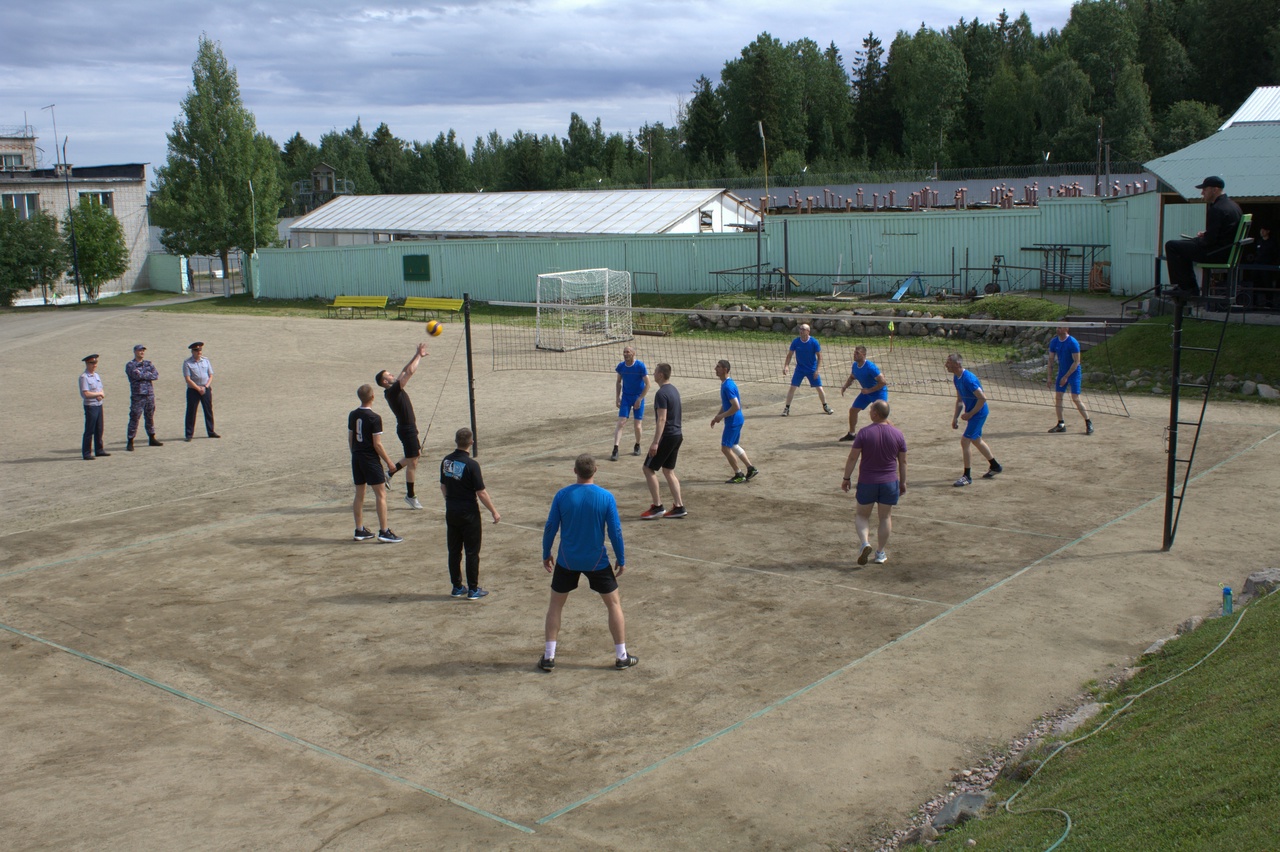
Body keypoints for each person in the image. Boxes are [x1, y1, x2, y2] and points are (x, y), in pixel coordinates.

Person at [539, 453, 635, 671]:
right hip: (597, 561)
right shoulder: (606, 497)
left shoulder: (562, 495)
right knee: (613, 605)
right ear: (596, 470)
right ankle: (621, 656)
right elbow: (615, 531)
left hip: (567, 560)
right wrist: (621, 558)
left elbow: (550, 527)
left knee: (555, 605)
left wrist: (546, 552)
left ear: (575, 471)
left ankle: (549, 656)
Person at [840, 399, 907, 565]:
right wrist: (903, 482)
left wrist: (846, 478)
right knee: (885, 517)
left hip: (868, 481)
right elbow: (903, 462)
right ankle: (880, 553)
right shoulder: (898, 434)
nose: (869, 412)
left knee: (862, 515)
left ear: (876, 414)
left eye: (870, 410)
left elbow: (853, 457)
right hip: (890, 482)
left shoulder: (863, 433)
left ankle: (865, 543)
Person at [439, 427, 501, 600]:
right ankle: (473, 589)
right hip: (468, 512)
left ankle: (457, 586)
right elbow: (481, 492)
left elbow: (443, 485)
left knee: (454, 550)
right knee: (472, 551)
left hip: (451, 509)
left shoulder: (446, 461)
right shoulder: (472, 465)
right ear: (471, 442)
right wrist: (494, 511)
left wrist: (449, 500)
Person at [1164, 176, 1243, 300]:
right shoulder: (1233, 206)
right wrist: (1204, 236)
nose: (1202, 193)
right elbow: (1223, 231)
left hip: (1217, 253)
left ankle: (1186, 287)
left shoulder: (1216, 209)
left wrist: (1199, 240)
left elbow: (1209, 242)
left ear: (1214, 190)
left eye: (1204, 190)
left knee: (1172, 246)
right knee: (1183, 246)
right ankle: (1188, 286)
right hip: (1226, 251)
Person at [377, 342, 429, 509]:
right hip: (406, 430)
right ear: (385, 381)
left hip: (408, 428)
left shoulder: (393, 390)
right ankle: (408, 494)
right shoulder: (392, 391)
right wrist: (419, 357)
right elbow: (410, 372)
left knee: (414, 457)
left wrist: (416, 354)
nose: (393, 375)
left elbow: (405, 369)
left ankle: (391, 475)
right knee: (413, 460)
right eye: (389, 375)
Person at [348, 384, 401, 544]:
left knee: (359, 494)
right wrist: (389, 462)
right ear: (372, 397)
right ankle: (384, 531)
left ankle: (359, 529)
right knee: (381, 494)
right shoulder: (374, 417)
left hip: (356, 457)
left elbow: (350, 437)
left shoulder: (353, 414)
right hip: (370, 459)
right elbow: (377, 444)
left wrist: (354, 453)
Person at [945, 353, 1001, 487]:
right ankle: (995, 466)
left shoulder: (968, 379)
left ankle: (967, 476)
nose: (946, 365)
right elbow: (959, 400)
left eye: (949, 362)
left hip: (979, 413)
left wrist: (970, 414)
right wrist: (955, 418)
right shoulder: (956, 377)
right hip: (973, 413)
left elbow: (982, 399)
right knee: (976, 440)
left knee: (965, 441)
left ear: (957, 364)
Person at [640, 362, 687, 518]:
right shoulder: (673, 390)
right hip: (677, 435)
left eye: (655, 371)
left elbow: (662, 419)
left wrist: (655, 442)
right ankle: (679, 507)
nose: (653, 374)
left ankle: (658, 506)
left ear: (660, 374)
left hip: (667, 436)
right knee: (668, 470)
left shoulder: (661, 394)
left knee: (648, 468)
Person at [710, 359, 758, 483]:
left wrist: (722, 416)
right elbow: (727, 404)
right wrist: (718, 416)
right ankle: (751, 468)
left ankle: (739, 474)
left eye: (718, 367)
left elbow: (735, 406)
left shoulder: (728, 386)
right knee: (734, 445)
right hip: (737, 419)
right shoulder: (726, 383)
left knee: (725, 448)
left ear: (725, 370)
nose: (715, 368)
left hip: (733, 421)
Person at [1046, 327, 1093, 435]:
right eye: (1057, 327)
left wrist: (1066, 377)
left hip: (1074, 372)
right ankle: (1061, 424)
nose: (1057, 329)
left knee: (1075, 398)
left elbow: (1076, 362)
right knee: (1058, 398)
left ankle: (1088, 422)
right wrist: (1049, 377)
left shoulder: (1072, 342)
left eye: (1060, 327)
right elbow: (1051, 360)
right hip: (1062, 372)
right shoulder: (1054, 341)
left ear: (1066, 329)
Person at [781, 323, 834, 416]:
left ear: (808, 331)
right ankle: (787, 408)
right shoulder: (796, 341)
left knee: (819, 388)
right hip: (800, 369)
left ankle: (825, 406)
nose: (801, 331)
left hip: (812, 369)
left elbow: (820, 357)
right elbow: (789, 355)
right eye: (800, 329)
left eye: (803, 329)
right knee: (792, 388)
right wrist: (786, 366)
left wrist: (817, 370)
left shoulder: (814, 342)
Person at [838, 345, 888, 441]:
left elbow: (883, 382)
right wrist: (845, 386)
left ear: (864, 355)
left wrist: (869, 390)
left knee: (880, 416)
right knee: (853, 410)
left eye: (857, 353)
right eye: (854, 353)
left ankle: (889, 435)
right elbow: (852, 377)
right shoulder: (855, 366)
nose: (854, 355)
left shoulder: (870, 367)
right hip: (866, 392)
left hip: (878, 392)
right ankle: (852, 434)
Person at [611, 346, 650, 462]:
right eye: (624, 352)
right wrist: (617, 397)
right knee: (621, 422)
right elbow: (618, 382)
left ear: (633, 353)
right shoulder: (621, 367)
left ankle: (637, 444)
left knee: (637, 425)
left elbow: (648, 384)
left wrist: (640, 399)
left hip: (638, 397)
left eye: (628, 352)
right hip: (626, 398)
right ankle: (615, 449)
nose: (625, 354)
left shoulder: (640, 366)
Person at [124, 344, 162, 451]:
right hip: (138, 395)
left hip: (149, 394)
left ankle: (151, 437)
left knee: (150, 416)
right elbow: (136, 375)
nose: (142, 352)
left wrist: (143, 374)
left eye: (143, 351)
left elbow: (155, 375)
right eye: (140, 350)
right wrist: (146, 374)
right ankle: (130, 440)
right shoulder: (130, 365)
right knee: (135, 417)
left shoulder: (148, 363)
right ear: (135, 352)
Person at [182, 342, 220, 441]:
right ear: (192, 352)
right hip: (193, 390)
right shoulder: (187, 363)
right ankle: (189, 434)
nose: (199, 352)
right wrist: (198, 389)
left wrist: (206, 387)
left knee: (208, 410)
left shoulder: (206, 360)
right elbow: (188, 379)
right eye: (196, 350)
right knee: (191, 412)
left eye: (200, 350)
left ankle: (211, 431)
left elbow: (210, 375)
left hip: (205, 388)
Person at [79, 354, 109, 460]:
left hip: (98, 405)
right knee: (89, 430)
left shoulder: (96, 376)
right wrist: (98, 395)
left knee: (99, 428)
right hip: (90, 406)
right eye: (92, 363)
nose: (94, 365)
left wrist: (102, 394)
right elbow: (85, 394)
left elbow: (101, 389)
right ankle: (86, 452)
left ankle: (99, 449)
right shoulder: (84, 377)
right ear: (87, 364)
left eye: (95, 363)